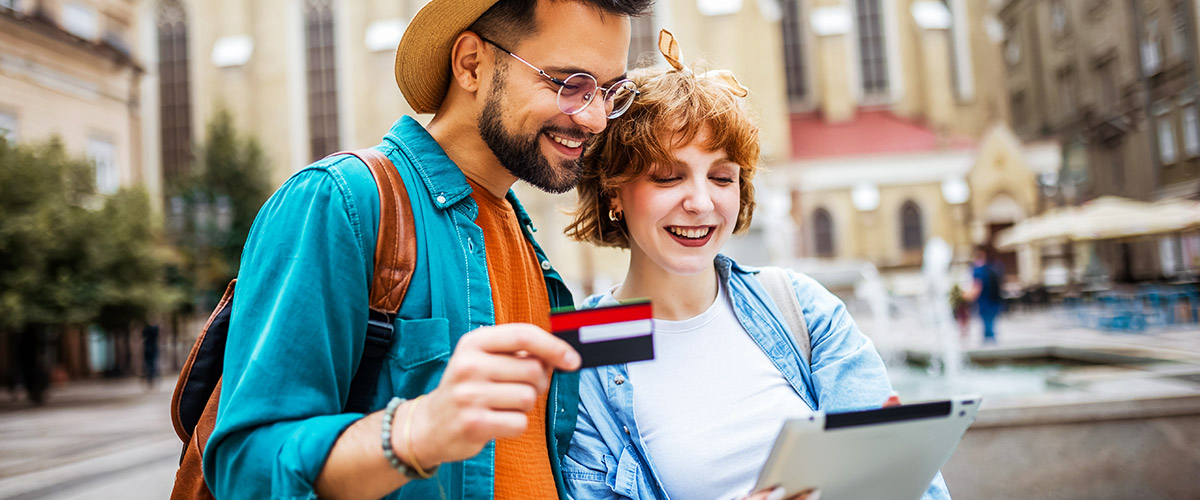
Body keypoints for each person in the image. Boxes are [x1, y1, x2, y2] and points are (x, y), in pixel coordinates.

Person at [199, 1, 651, 499]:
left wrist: (684, 268)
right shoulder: (340, 201)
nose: (596, 118)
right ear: (471, 65)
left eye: (609, 92)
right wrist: (416, 430)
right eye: (569, 84)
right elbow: (247, 467)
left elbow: (572, 358)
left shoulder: (524, 240)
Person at [561, 31, 951, 500]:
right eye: (668, 176)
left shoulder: (799, 306)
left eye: (722, 177)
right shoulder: (586, 347)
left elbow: (911, 486)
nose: (701, 202)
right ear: (613, 192)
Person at [969, 243, 1004, 344]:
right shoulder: (995, 266)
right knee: (990, 327)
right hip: (995, 302)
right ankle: (992, 344)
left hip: (984, 303)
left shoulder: (978, 270)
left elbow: (976, 288)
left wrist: (964, 297)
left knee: (988, 330)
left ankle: (990, 346)